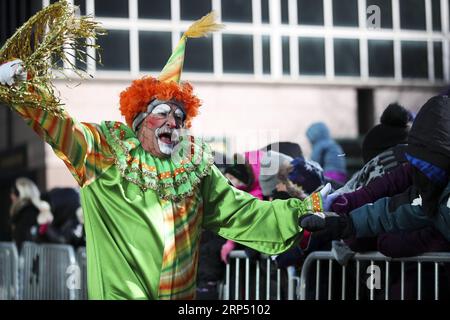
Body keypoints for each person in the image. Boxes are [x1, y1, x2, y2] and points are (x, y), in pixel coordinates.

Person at [0, 3, 325, 299]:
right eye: (162, 113)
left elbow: (241, 212)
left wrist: (306, 210)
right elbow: (60, 127)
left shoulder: (194, 169)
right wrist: (25, 88)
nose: (173, 121)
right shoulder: (103, 153)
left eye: (180, 116)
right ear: (140, 119)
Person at [9, 177, 53, 251]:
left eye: (15, 192)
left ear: (22, 193)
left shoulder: (29, 212)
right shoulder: (26, 211)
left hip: (31, 257)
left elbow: (25, 238)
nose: (11, 196)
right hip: (28, 257)